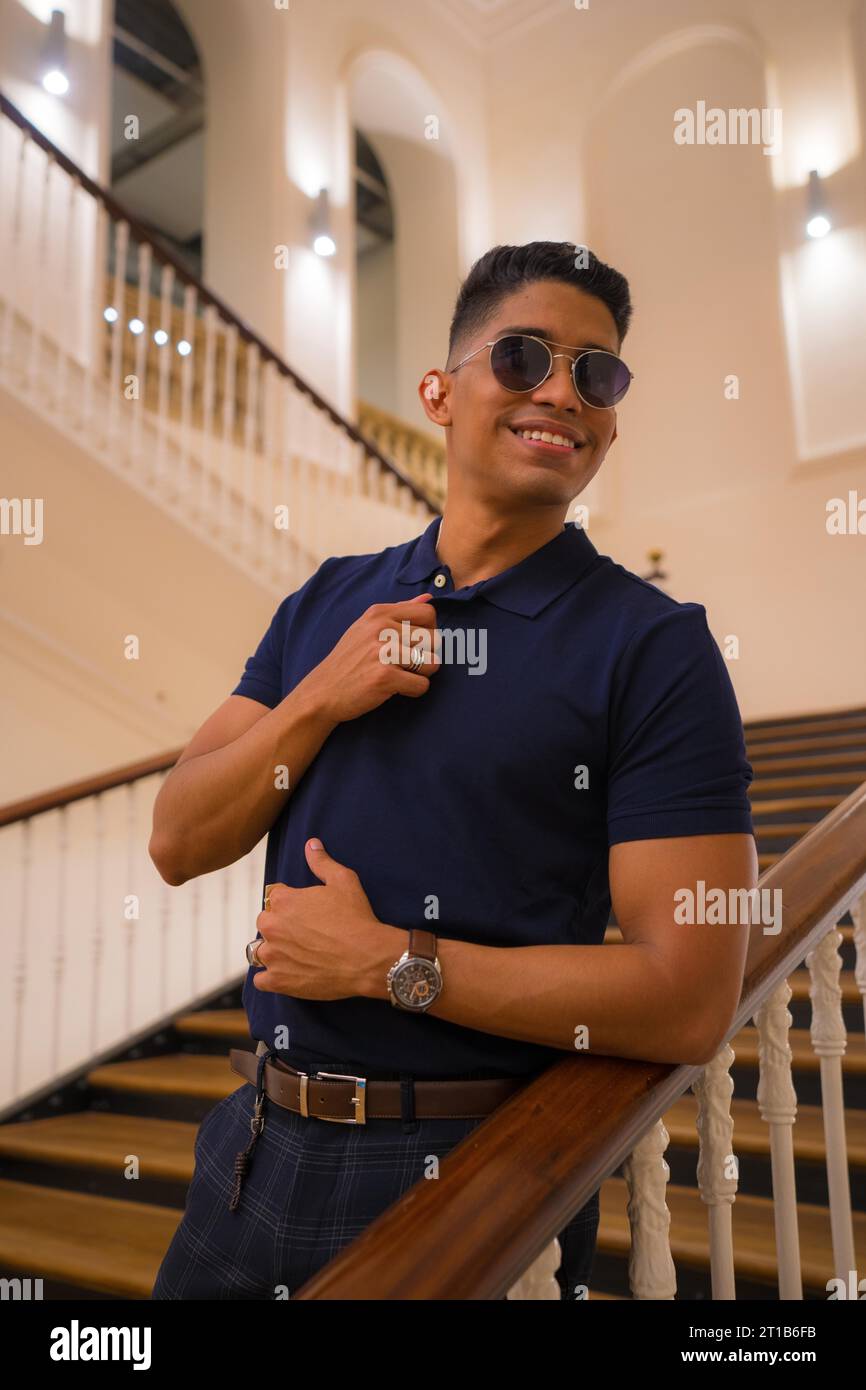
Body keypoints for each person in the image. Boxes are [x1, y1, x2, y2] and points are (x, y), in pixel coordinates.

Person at [149, 241, 757, 1301]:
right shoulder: (326, 602)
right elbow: (177, 838)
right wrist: (318, 697)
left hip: (472, 1162)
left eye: (596, 372)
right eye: (522, 357)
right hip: (253, 1146)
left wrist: (387, 960)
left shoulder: (650, 645)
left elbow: (686, 996)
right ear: (438, 390)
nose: (562, 392)